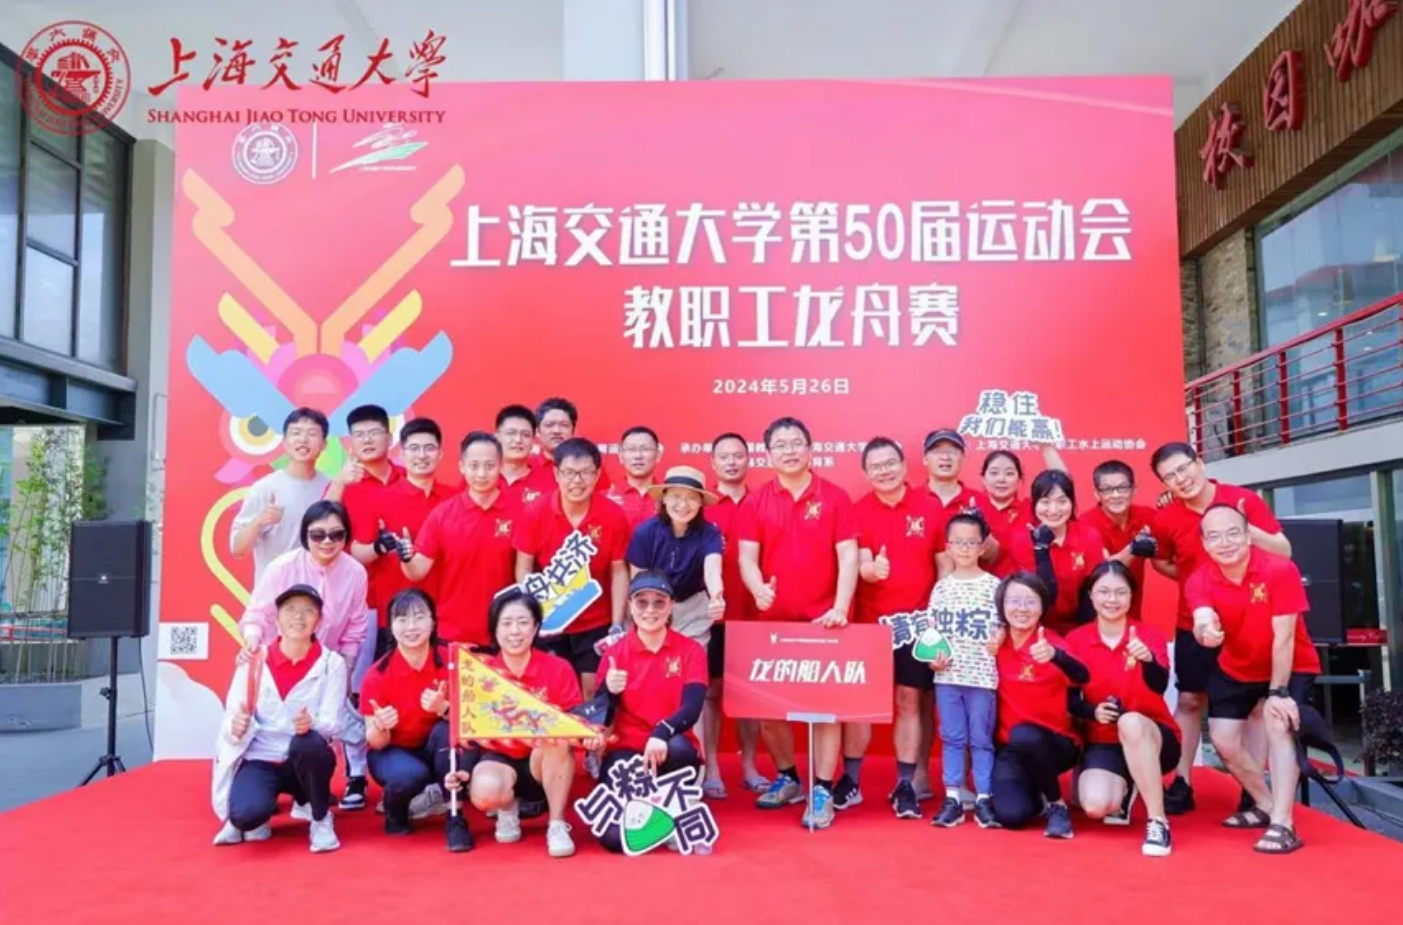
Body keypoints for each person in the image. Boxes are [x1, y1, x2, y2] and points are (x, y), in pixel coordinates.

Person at [1149, 441, 1291, 816]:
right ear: (1164, 484)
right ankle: (1182, 781)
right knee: (1190, 700)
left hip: (1250, 623)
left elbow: (1284, 550)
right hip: (1193, 619)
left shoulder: (1243, 500)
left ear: (1199, 462)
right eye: (1170, 476)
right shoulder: (1165, 518)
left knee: (1256, 707)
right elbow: (1161, 561)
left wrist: (1246, 529)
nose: (1181, 479)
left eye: (1184, 468)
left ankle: (1252, 789)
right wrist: (1194, 583)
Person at [738, 416, 859, 828]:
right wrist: (757, 588)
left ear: (810, 450)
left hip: (826, 622)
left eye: (796, 443)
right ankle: (788, 777)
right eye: (780, 445)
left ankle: (822, 788)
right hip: (772, 623)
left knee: (826, 711)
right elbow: (747, 559)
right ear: (768, 454)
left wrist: (841, 606)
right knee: (768, 709)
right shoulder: (756, 501)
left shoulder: (835, 497)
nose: (789, 451)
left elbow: (848, 556)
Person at [1186, 504, 1320, 854]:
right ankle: (1266, 804)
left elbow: (1284, 638)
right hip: (1236, 666)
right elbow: (1202, 618)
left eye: (1233, 533)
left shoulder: (1279, 570)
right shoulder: (1199, 579)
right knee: (1223, 740)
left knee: (1277, 722)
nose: (1225, 542)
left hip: (1291, 664)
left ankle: (1283, 824)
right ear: (1205, 544)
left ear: (1248, 536)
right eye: (1215, 536)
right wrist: (1206, 632)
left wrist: (1278, 691)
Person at [237, 500, 371, 809]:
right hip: (279, 660)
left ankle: (323, 790)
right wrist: (252, 644)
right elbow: (258, 613)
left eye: (336, 534)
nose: (327, 542)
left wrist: (346, 670)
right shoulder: (283, 567)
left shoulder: (355, 572)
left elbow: (355, 628)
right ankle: (262, 784)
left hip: (325, 664)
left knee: (326, 727)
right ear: (304, 535)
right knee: (269, 724)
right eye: (318, 534)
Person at [445, 589, 590, 858]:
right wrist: (462, 771)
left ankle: (557, 824)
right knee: (484, 792)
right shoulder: (482, 674)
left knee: (558, 738)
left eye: (523, 622)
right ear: (495, 629)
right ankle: (507, 808)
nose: (515, 631)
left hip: (543, 761)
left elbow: (575, 722)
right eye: (507, 623)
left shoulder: (558, 668)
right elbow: (471, 730)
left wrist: (588, 736)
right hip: (500, 759)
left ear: (535, 628)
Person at [212, 584, 344, 853]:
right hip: (261, 758)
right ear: (276, 618)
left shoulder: (332, 663)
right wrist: (236, 727)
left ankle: (319, 818)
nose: (299, 617)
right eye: (290, 610)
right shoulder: (254, 660)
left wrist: (311, 724)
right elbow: (231, 718)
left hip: (304, 758)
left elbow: (334, 723)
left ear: (319, 621)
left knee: (309, 743)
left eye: (308, 611)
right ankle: (260, 813)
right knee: (245, 817)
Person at [851, 437, 942, 814]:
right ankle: (850, 781)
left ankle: (906, 783)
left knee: (909, 699)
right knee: (860, 704)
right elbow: (860, 561)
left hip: (917, 624)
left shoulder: (929, 506)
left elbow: (943, 565)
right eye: (876, 466)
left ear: (905, 466)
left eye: (890, 463)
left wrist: (940, 617)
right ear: (865, 473)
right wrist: (870, 570)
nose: (884, 471)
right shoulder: (858, 510)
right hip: (870, 624)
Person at [1065, 562, 1178, 857]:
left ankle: (1158, 821)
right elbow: (1069, 699)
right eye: (1103, 592)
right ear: (1091, 595)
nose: (1112, 600)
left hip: (1153, 737)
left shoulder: (1149, 635)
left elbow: (1159, 685)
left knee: (1130, 722)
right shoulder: (1076, 640)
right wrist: (1092, 712)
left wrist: (1148, 660)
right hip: (1104, 739)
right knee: (1095, 806)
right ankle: (1128, 785)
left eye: (1120, 592)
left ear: (1131, 596)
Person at [624, 465, 725, 794]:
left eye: (692, 498)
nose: (684, 504)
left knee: (694, 690)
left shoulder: (709, 533)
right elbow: (638, 583)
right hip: (652, 610)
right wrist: (642, 616)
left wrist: (717, 596)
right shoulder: (645, 532)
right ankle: (643, 760)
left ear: (701, 503)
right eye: (677, 496)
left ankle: (703, 769)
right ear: (664, 498)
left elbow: (713, 570)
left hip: (693, 610)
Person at [595, 571, 709, 853]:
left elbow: (693, 707)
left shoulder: (691, 650)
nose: (650, 610)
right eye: (641, 602)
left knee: (678, 747)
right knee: (613, 839)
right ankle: (661, 817)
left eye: (659, 602)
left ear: (670, 606)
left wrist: (661, 732)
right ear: (630, 606)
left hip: (671, 748)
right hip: (627, 753)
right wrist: (608, 690)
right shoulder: (615, 654)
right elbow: (600, 718)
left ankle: (677, 808)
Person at [514, 438, 630, 707]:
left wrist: (616, 623)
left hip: (595, 621)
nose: (577, 481)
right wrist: (534, 613)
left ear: (597, 475)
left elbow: (619, 572)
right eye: (569, 473)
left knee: (593, 692)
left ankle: (592, 737)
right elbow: (523, 567)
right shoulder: (535, 513)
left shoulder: (613, 515)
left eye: (586, 472)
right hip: (550, 621)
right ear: (556, 474)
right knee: (551, 694)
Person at [360, 589, 475, 850]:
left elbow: (475, 721)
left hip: (439, 747)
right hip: (394, 751)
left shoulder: (454, 661)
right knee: (410, 775)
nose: (411, 627)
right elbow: (375, 742)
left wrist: (444, 708)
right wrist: (380, 726)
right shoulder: (377, 675)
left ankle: (455, 818)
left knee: (447, 729)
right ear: (390, 627)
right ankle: (395, 811)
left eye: (419, 617)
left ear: (433, 622)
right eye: (402, 619)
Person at [990, 572, 1089, 838]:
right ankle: (1038, 795)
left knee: (1026, 734)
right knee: (1012, 816)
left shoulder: (1051, 644)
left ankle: (1057, 805)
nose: (1022, 608)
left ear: (1042, 607)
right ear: (1002, 605)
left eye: (1030, 601)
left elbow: (1083, 676)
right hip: (1011, 747)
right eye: (1014, 601)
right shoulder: (994, 643)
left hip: (1055, 743)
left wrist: (1056, 657)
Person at [405, 432, 520, 648]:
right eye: (474, 466)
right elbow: (417, 571)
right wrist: (406, 558)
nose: (481, 473)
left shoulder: (520, 512)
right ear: (461, 467)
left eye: (489, 466)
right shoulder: (443, 514)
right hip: (453, 634)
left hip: (506, 634)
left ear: (501, 466)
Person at [351, 418, 453, 659]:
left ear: (440, 454)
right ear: (402, 454)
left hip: (446, 615)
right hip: (396, 615)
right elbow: (357, 552)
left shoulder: (454, 498)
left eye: (429, 448)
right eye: (414, 448)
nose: (422, 455)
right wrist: (379, 546)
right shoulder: (380, 499)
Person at [928, 514, 1002, 829]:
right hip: (947, 678)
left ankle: (984, 797)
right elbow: (931, 635)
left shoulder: (995, 587)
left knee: (982, 738)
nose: (964, 548)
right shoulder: (941, 589)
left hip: (983, 678)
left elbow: (1005, 625)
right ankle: (953, 797)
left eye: (971, 542)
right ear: (948, 547)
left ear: (982, 547)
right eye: (958, 542)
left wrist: (1000, 641)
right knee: (952, 737)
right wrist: (933, 661)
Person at [705, 433, 768, 793]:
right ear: (713, 463)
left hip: (754, 615)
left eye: (738, 456)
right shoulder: (703, 505)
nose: (732, 462)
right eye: (724, 457)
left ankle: (749, 766)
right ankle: (711, 768)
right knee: (710, 693)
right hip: (711, 616)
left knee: (749, 696)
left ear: (749, 460)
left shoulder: (761, 502)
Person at [229, 407, 331, 583]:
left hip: (317, 590)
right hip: (274, 591)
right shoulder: (265, 488)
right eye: (296, 433)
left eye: (312, 433)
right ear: (285, 442)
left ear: (323, 444)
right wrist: (259, 521)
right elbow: (238, 549)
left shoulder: (330, 487)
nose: (303, 440)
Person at [1008, 469, 1107, 636]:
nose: (1053, 510)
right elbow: (1042, 596)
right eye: (1045, 502)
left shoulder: (1089, 537)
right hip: (1034, 626)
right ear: (1034, 504)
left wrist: (1080, 635)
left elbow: (1094, 590)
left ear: (1072, 502)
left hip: (1080, 625)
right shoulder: (1022, 540)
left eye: (1062, 501)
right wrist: (1041, 549)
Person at [1079, 460, 1157, 622]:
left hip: (1132, 614)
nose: (1115, 495)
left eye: (1122, 488)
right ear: (1096, 494)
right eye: (1107, 489)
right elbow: (1103, 571)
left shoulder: (1147, 516)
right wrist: (1133, 549)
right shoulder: (1086, 523)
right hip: (1095, 616)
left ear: (1134, 489)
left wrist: (1169, 500)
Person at [524, 396, 612, 495]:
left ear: (573, 430)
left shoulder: (590, 466)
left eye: (564, 425)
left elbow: (604, 499)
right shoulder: (525, 467)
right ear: (537, 431)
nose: (556, 431)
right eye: (549, 425)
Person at [609, 425, 665, 531]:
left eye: (645, 449)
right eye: (631, 449)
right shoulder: (605, 498)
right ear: (621, 456)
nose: (638, 456)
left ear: (658, 455)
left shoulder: (667, 498)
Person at [496, 404, 546, 508]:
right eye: (511, 433)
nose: (518, 440)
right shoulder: (481, 477)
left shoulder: (547, 481)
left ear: (533, 440)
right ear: (497, 437)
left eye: (525, 435)